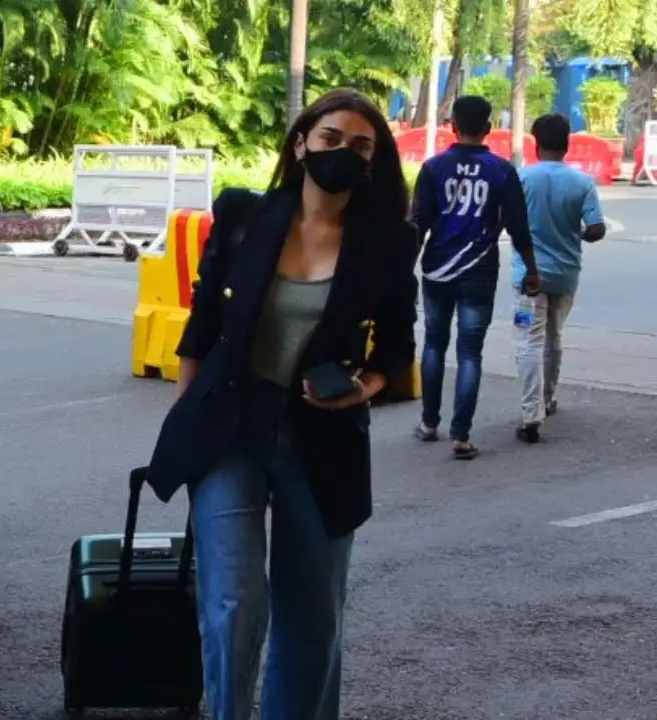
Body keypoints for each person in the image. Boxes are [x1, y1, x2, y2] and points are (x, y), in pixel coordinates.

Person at [145, 88, 420, 720]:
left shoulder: (387, 242)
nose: (342, 154)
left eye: (360, 146)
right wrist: (188, 413)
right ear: (301, 145)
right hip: (231, 428)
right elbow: (202, 320)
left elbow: (398, 349)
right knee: (233, 602)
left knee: (313, 618)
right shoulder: (245, 216)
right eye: (329, 140)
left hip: (322, 438)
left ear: (373, 161)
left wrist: (364, 389)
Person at [411, 95, 541, 459]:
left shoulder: (434, 168)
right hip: (479, 272)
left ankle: (428, 423)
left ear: (453, 125)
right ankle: (461, 436)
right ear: (487, 128)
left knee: (434, 343)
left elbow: (418, 224)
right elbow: (518, 227)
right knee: (470, 351)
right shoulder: (501, 170)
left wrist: (405, 271)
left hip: (437, 269)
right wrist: (532, 270)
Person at [511, 113, 607, 442]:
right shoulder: (582, 183)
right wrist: (573, 234)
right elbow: (597, 230)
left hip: (528, 277)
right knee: (554, 337)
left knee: (528, 340)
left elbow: (505, 222)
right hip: (565, 275)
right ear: (567, 144)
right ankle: (548, 398)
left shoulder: (522, 178)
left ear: (536, 144)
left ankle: (530, 413)